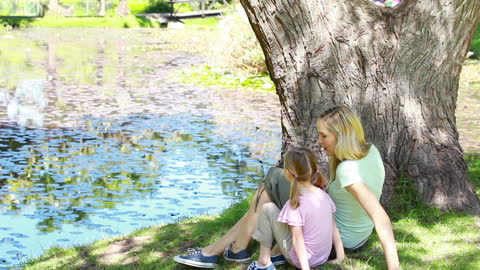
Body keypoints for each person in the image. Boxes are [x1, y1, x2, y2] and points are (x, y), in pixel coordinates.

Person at [174, 105, 400, 269]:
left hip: (335, 239)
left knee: (272, 180)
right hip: (355, 234)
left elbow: (381, 218)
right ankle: (236, 249)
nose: (319, 141)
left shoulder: (347, 170)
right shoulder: (370, 150)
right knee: (269, 193)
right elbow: (348, 199)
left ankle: (226, 250)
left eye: (324, 136)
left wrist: (394, 268)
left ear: (341, 136)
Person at [247, 147, 344, 270]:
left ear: (287, 173)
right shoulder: (323, 196)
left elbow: (297, 240)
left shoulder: (295, 204)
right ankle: (275, 255)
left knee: (267, 208)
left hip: (304, 260)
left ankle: (263, 262)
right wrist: (340, 255)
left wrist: (305, 268)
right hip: (322, 256)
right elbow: (334, 227)